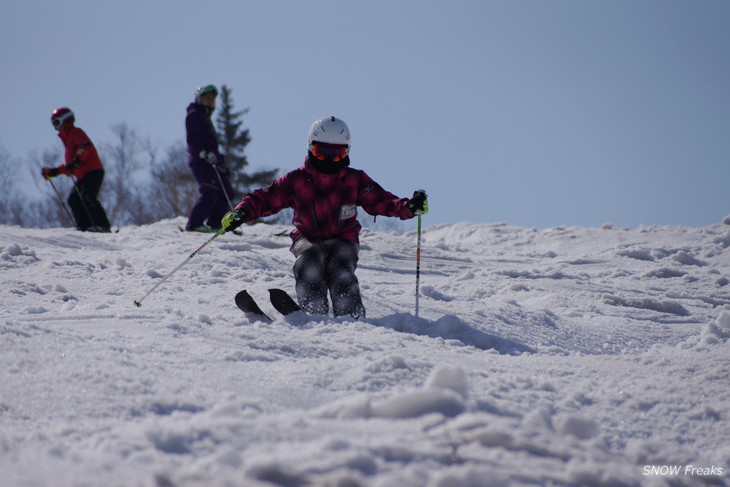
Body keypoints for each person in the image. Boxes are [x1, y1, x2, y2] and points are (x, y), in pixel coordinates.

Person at [221, 116, 428, 319]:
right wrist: (242, 211)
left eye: (337, 155)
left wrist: (408, 207)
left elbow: (382, 201)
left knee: (341, 269)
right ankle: (314, 312)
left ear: (347, 152)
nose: (329, 160)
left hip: (343, 238)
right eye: (322, 153)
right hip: (307, 237)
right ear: (311, 148)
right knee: (310, 260)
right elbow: (265, 198)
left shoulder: (354, 180)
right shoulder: (296, 180)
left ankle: (351, 315)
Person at [41, 107, 111, 232]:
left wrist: (77, 161)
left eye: (56, 123)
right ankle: (84, 228)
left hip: (93, 171)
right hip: (83, 176)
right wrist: (55, 172)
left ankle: (102, 226)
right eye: (53, 124)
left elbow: (85, 146)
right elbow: (70, 167)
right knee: (73, 199)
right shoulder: (67, 139)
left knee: (87, 196)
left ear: (65, 120)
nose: (55, 127)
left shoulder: (75, 132)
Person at [184, 84, 235, 232]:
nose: (210, 101)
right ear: (199, 99)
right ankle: (194, 224)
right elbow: (193, 138)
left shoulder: (205, 117)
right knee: (210, 190)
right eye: (206, 98)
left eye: (212, 99)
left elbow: (213, 145)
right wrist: (201, 152)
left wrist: (221, 162)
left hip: (212, 160)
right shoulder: (194, 114)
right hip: (201, 160)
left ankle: (215, 222)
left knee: (226, 190)